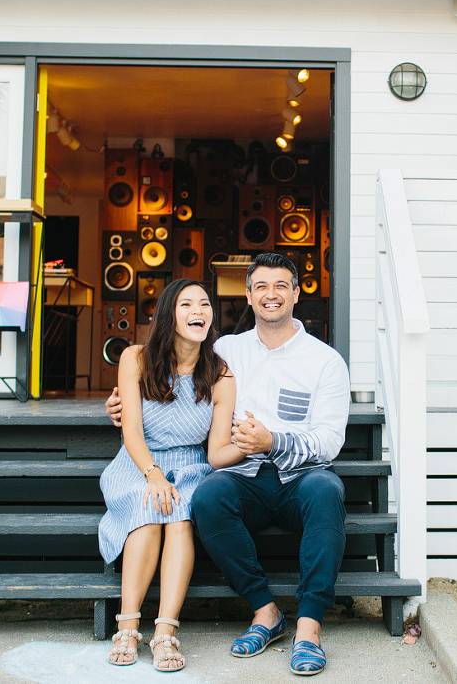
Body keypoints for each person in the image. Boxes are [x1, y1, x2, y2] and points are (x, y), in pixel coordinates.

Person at [107, 252, 350, 676]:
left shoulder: (325, 360)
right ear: (249, 296)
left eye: (280, 287)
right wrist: (122, 406)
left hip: (301, 476)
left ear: (296, 293)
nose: (270, 295)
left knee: (328, 492)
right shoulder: (223, 350)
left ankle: (309, 627)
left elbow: (330, 441)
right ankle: (265, 611)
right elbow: (172, 376)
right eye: (260, 287)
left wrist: (274, 441)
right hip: (243, 474)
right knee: (209, 497)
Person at [97, 278, 240, 671]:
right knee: (147, 513)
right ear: (168, 314)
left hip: (191, 465)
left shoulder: (221, 374)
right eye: (187, 304)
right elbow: (131, 431)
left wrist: (254, 445)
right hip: (138, 461)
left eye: (205, 304)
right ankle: (127, 625)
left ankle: (165, 632)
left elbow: (214, 450)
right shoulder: (136, 358)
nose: (199, 311)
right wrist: (153, 475)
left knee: (178, 518)